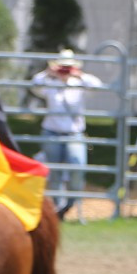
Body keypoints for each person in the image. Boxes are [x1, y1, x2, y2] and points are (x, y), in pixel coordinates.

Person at [30, 49, 101, 221]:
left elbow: (97, 85)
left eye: (68, 67)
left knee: (77, 166)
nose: (65, 70)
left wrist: (78, 75)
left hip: (74, 133)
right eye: (63, 66)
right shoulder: (50, 83)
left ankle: (69, 204)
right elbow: (34, 85)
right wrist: (50, 73)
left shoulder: (80, 83)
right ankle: (58, 208)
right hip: (51, 132)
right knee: (54, 172)